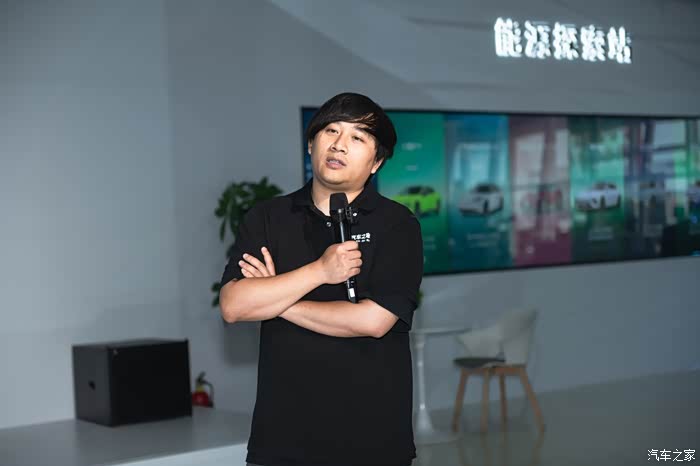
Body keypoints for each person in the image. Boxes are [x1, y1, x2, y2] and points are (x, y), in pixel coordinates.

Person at [219, 92, 423, 466]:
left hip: (373, 436)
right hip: (282, 437)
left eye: (357, 137)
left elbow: (374, 321)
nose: (339, 144)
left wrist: (276, 299)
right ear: (311, 143)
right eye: (331, 131)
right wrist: (320, 271)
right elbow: (234, 306)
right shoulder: (268, 218)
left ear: (376, 162)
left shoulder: (398, 224)